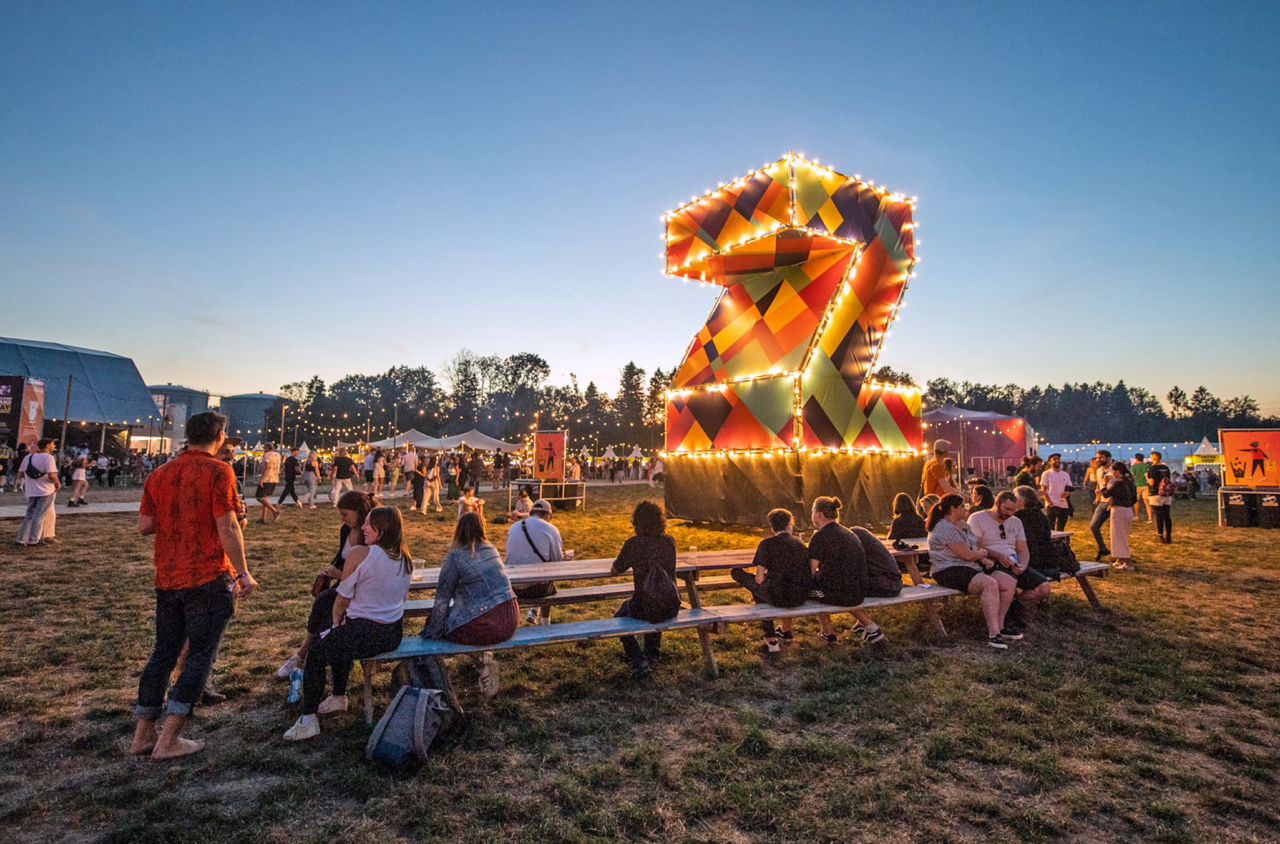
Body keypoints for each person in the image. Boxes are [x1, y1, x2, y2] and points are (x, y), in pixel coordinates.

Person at [130, 411, 257, 758]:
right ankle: (169, 739)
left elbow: (144, 525)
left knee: (163, 653)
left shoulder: (161, 473)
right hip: (207, 574)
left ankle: (143, 734)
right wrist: (243, 573)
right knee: (200, 654)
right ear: (219, 436)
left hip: (168, 577)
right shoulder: (219, 471)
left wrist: (179, 518)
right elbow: (229, 527)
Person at [284, 506, 412, 741]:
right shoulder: (405, 559)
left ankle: (308, 719)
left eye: (368, 524)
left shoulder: (361, 554)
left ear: (381, 529)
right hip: (392, 632)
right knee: (339, 637)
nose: (363, 527)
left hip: (366, 632)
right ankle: (337, 697)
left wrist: (335, 622)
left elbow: (342, 598)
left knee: (318, 652)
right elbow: (400, 599)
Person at [275, 491, 378, 678]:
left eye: (346, 514)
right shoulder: (346, 531)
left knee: (326, 604)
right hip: (344, 585)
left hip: (363, 591)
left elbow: (369, 572)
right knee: (324, 605)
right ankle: (304, 657)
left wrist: (339, 574)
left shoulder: (371, 534)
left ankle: (304, 657)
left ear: (360, 512)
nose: (343, 519)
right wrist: (331, 571)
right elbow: (342, 558)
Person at [421, 512, 519, 696]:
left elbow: (442, 598)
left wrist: (433, 630)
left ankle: (441, 674)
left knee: (434, 625)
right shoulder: (491, 549)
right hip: (510, 617)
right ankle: (482, 659)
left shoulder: (455, 557)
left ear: (458, 530)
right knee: (447, 621)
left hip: (486, 623)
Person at [926, 494, 1017, 649]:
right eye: (962, 506)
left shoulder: (962, 524)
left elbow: (972, 547)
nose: (965, 509)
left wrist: (982, 559)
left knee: (1009, 581)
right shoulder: (944, 527)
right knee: (989, 583)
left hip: (970, 565)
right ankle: (994, 634)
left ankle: (1001, 625)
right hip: (948, 569)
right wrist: (982, 555)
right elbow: (966, 554)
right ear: (952, 508)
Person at [610, 500, 678, 677]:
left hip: (643, 606)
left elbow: (615, 570)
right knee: (656, 602)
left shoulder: (634, 544)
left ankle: (639, 659)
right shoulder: (669, 542)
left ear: (637, 522)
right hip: (671, 604)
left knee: (619, 618)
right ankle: (652, 654)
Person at [970, 489, 1051, 635]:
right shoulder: (977, 519)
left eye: (1013, 510)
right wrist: (997, 555)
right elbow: (974, 546)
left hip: (1012, 561)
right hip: (990, 561)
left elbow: (1022, 549)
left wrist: (1023, 564)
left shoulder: (1015, 521)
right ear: (997, 503)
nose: (1010, 513)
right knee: (1008, 582)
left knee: (1043, 587)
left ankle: (1013, 610)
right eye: (1006, 509)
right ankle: (1001, 624)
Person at [731, 508, 813, 652]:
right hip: (799, 596)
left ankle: (771, 637)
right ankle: (785, 632)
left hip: (778, 596)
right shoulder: (800, 544)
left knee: (744, 578)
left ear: (772, 526)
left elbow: (759, 579)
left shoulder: (766, 544)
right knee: (763, 587)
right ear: (789, 525)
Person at [806, 496, 885, 644]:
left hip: (842, 593)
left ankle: (828, 633)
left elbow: (809, 571)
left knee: (811, 589)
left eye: (812, 512)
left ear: (819, 515)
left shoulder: (820, 536)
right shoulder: (849, 533)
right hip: (860, 590)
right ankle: (871, 628)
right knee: (834, 582)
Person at [504, 498, 562, 624]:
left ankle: (532, 612)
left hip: (512, 586)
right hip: (536, 589)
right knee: (548, 580)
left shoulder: (513, 527)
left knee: (542, 576)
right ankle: (545, 624)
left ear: (530, 512)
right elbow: (557, 562)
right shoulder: (551, 529)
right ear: (547, 515)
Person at [15, 438, 60, 546]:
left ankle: (21, 539)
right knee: (39, 516)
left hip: (31, 490)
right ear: (48, 446)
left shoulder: (28, 457)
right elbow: (51, 475)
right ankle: (33, 540)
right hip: (45, 491)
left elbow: (20, 474)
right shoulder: (49, 458)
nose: (54, 446)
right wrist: (57, 483)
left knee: (29, 515)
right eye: (53, 444)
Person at [1102, 461, 1138, 571]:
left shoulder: (1118, 483)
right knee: (1122, 535)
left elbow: (1106, 494)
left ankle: (1127, 560)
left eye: (1113, 470)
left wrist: (1104, 485)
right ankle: (1120, 559)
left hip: (1118, 510)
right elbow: (1134, 499)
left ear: (1117, 471)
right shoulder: (1130, 482)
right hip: (1128, 510)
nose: (1112, 473)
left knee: (1118, 536)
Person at [1088, 449, 1113, 561]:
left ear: (1108, 458)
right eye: (1097, 457)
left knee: (1115, 530)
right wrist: (1097, 497)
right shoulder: (1098, 471)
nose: (1098, 460)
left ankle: (1118, 553)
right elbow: (1099, 485)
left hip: (1114, 502)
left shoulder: (1114, 470)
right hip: (1103, 502)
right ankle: (1103, 549)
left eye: (1101, 457)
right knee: (1094, 526)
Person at [1039, 453, 1072, 531]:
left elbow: (1070, 489)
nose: (1057, 460)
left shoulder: (1065, 474)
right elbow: (1043, 490)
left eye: (1058, 459)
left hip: (1063, 504)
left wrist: (1067, 493)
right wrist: (1048, 502)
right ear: (1050, 462)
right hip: (1052, 504)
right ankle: (1052, 543)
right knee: (1051, 528)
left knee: (1061, 529)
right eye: (1054, 459)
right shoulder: (1046, 474)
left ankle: (1060, 542)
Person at [1147, 451, 1173, 544]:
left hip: (1156, 494)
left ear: (1153, 458)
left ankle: (1160, 535)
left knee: (1159, 516)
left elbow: (1151, 483)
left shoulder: (1152, 468)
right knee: (1167, 516)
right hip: (1166, 494)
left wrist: (1146, 477)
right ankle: (1169, 536)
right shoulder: (1166, 468)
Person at [256, 445, 281, 523]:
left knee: (259, 497)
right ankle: (263, 518)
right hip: (275, 478)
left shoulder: (267, 455)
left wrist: (262, 479)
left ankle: (275, 511)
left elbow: (266, 467)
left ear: (267, 448)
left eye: (265, 448)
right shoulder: (278, 455)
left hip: (267, 478)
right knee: (265, 498)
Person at [1132, 453, 1151, 522]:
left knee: (1136, 501)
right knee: (1147, 502)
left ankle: (1137, 516)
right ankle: (1150, 517)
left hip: (1137, 485)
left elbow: (1132, 476)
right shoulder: (1146, 466)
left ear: (1136, 459)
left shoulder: (1133, 467)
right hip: (1145, 485)